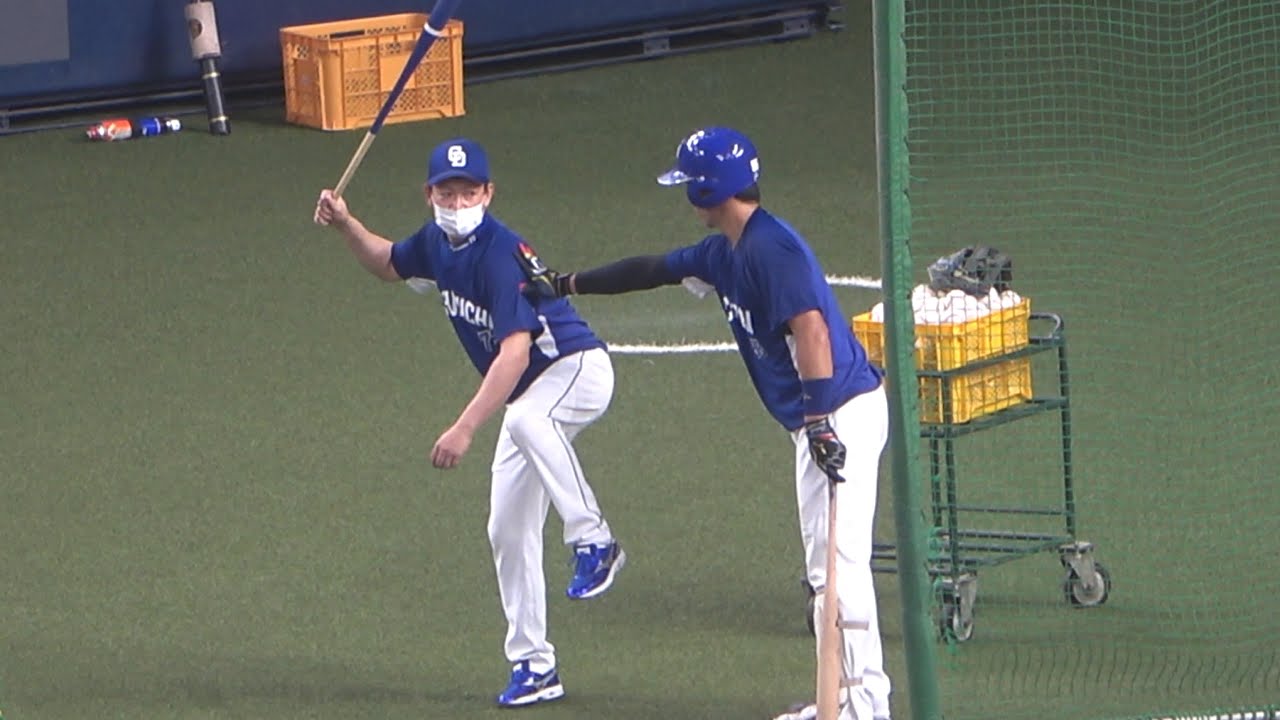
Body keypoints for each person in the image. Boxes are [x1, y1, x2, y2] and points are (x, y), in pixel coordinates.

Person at [516, 127, 892, 720]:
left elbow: (814, 331)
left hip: (840, 411)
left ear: (708, 190)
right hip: (822, 416)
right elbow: (652, 269)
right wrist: (567, 284)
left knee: (838, 569)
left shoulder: (773, 249)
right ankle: (846, 700)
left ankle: (863, 706)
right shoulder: (726, 252)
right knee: (827, 571)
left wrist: (820, 421)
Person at [314, 137, 626, 708]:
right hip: (528, 395)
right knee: (507, 528)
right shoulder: (436, 242)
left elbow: (514, 353)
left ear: (488, 193)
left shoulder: (500, 254)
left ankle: (594, 540)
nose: (457, 203)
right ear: (429, 194)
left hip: (574, 369)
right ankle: (535, 665)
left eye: (468, 192)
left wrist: (464, 428)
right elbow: (388, 263)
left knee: (529, 420)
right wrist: (346, 225)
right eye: (447, 193)